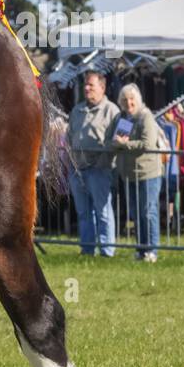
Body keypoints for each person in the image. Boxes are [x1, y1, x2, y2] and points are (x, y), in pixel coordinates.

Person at [66, 71, 120, 257]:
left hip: (99, 170)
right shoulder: (77, 110)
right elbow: (69, 137)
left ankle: (107, 251)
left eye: (91, 85)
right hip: (77, 170)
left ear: (102, 88)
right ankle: (87, 248)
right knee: (83, 213)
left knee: (103, 212)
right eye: (85, 85)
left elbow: (120, 139)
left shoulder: (113, 111)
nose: (87, 88)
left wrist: (103, 157)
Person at [112, 83, 165, 262]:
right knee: (136, 213)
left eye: (132, 99)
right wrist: (120, 144)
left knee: (149, 211)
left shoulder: (146, 116)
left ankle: (152, 250)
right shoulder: (125, 119)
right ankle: (141, 249)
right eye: (125, 100)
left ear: (138, 99)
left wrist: (125, 144)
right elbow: (117, 142)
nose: (129, 103)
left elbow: (147, 144)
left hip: (148, 173)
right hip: (129, 173)